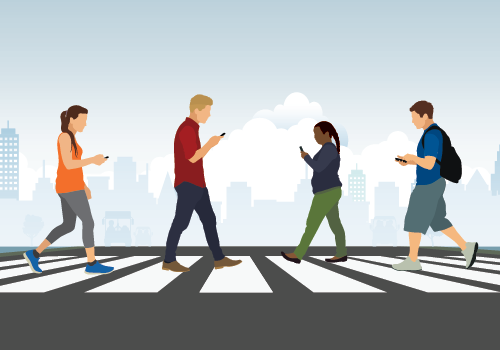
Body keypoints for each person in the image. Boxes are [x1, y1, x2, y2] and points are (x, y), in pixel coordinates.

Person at [23, 105, 114, 275]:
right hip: (69, 188)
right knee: (88, 222)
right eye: (83, 120)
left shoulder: (72, 138)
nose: (85, 124)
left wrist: (84, 185)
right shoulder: (64, 137)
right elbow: (68, 164)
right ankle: (91, 263)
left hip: (72, 186)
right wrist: (93, 160)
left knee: (68, 225)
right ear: (72, 119)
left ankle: (34, 254)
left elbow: (75, 168)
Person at [393, 100, 478, 271]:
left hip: (428, 185)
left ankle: (413, 260)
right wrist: (410, 162)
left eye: (414, 117)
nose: (412, 121)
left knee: (414, 220)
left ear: (424, 116)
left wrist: (413, 158)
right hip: (435, 182)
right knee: (438, 220)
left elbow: (430, 163)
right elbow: (430, 162)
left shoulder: (432, 135)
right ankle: (466, 247)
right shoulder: (431, 134)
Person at [162, 94, 242, 272]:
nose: (209, 115)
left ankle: (219, 258)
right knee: (181, 222)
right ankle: (168, 260)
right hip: (188, 184)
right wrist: (211, 144)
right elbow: (192, 157)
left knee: (209, 220)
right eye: (207, 111)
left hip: (198, 184)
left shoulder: (192, 128)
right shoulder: (187, 129)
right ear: (197, 110)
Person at [281, 121, 347, 264]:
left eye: (317, 133)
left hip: (326, 192)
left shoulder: (329, 149)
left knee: (312, 223)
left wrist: (306, 157)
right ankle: (342, 253)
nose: (315, 136)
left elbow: (319, 167)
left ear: (326, 134)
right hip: (331, 191)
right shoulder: (327, 149)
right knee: (335, 224)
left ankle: (298, 254)